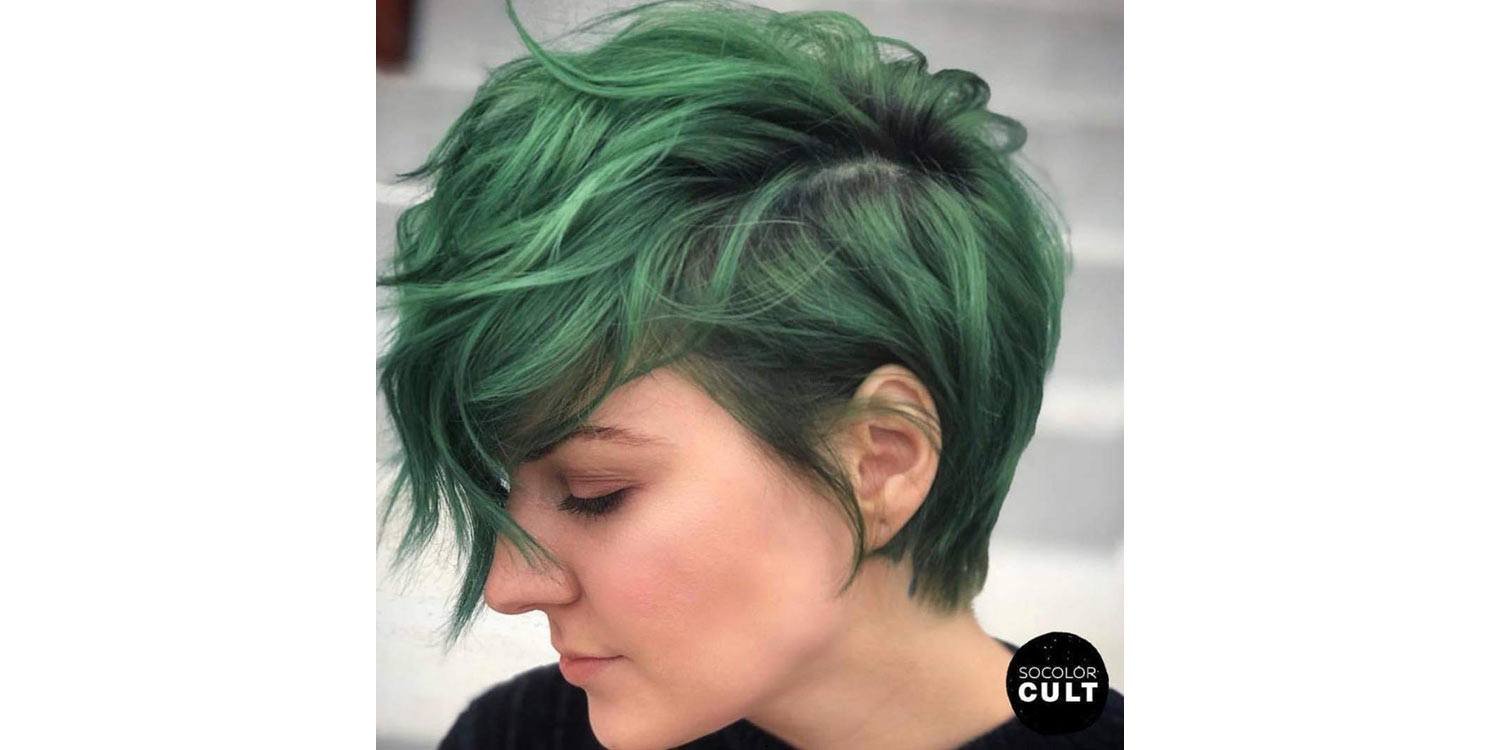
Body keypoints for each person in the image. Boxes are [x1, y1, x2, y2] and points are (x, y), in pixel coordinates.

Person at [377, 1, 1122, 747]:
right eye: (505, 486)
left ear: (880, 462)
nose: (507, 585)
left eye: (595, 495)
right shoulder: (520, 736)